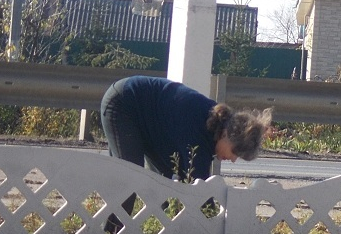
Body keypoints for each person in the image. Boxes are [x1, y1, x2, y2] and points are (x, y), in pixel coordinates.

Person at [101, 75, 272, 180]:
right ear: (227, 134)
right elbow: (199, 192)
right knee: (129, 180)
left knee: (165, 185)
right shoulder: (199, 134)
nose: (233, 160)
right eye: (236, 152)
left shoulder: (211, 130)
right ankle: (109, 230)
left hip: (149, 125)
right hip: (124, 103)